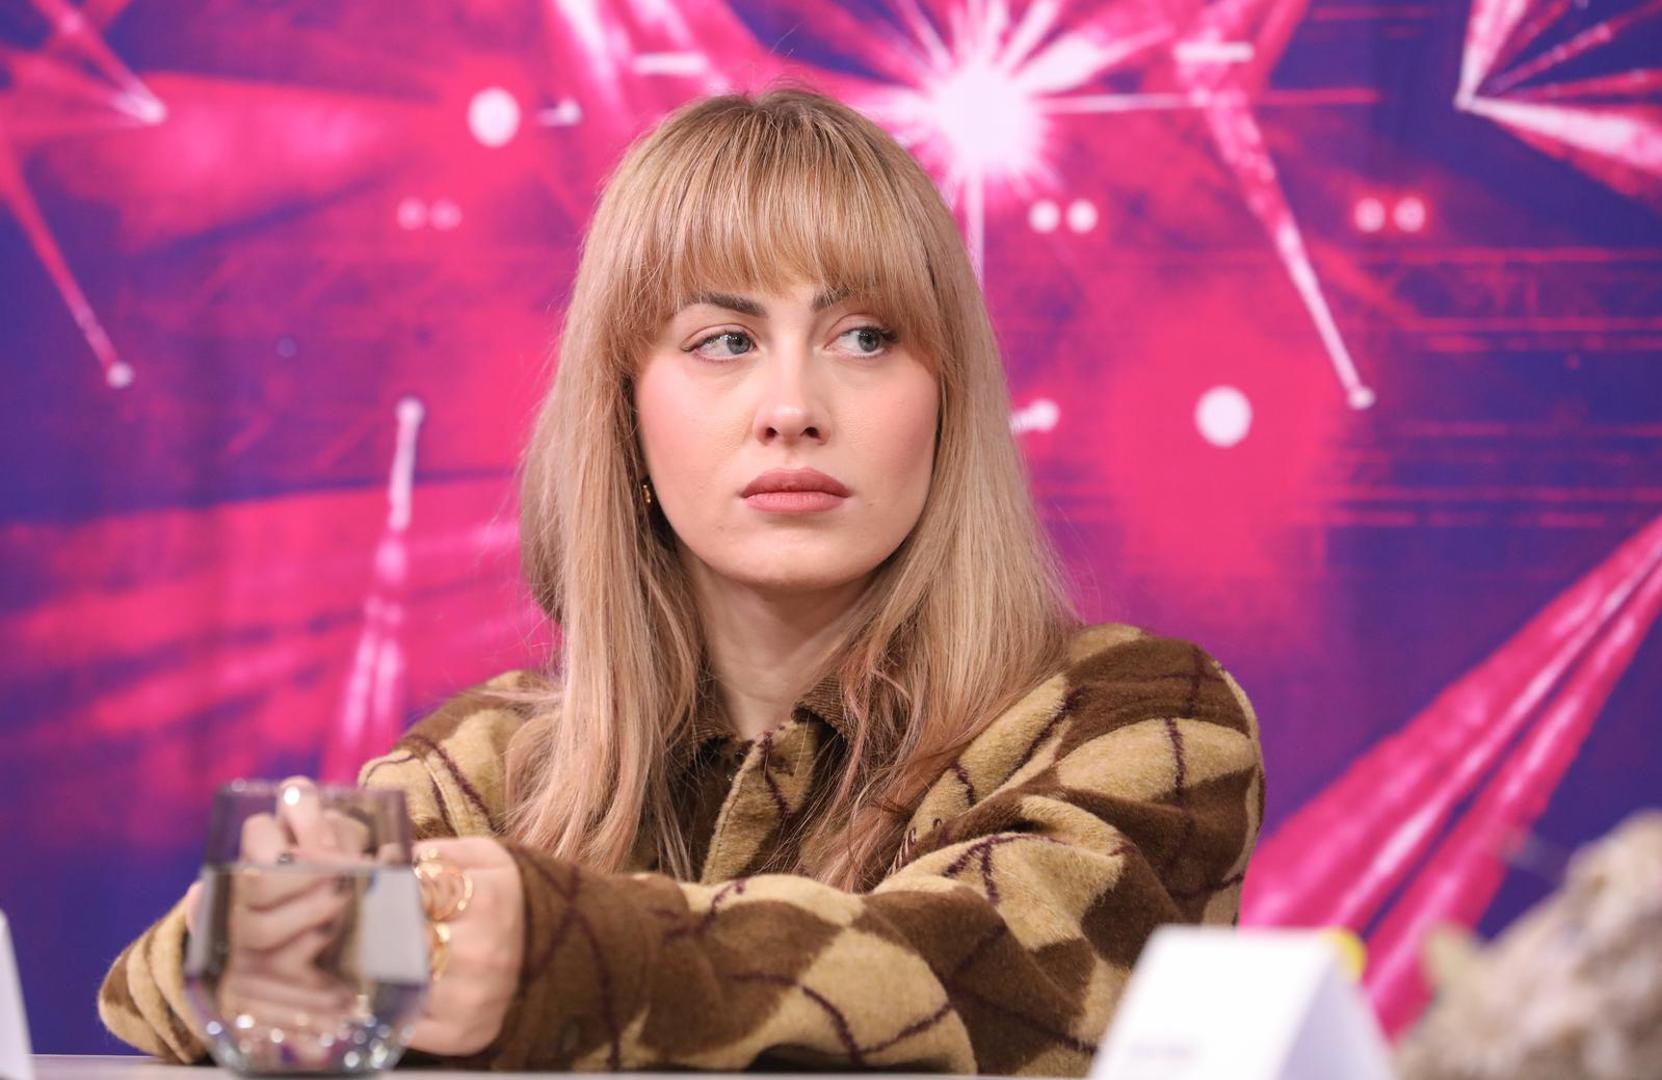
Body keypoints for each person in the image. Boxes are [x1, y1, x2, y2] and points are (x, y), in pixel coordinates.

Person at [97, 82, 1265, 1076]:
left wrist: (555, 957)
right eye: (725, 341)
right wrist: (270, 934)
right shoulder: (502, 756)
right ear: (626, 414)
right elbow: (160, 995)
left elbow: (976, 990)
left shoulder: (1148, 723)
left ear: (948, 403)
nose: (793, 408)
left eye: (865, 336)